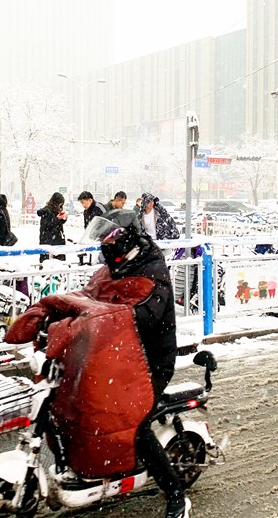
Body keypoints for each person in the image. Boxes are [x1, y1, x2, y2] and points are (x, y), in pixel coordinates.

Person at [83, 210, 188, 518]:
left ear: (126, 240)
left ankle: (176, 495)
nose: (106, 246)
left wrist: (102, 321)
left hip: (152, 362)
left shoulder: (152, 269)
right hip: (118, 357)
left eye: (110, 240)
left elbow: (144, 316)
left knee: (134, 424)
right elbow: (93, 297)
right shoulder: (118, 267)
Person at [37, 192, 68, 263]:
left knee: (57, 263)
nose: (60, 207)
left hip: (55, 241)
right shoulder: (46, 212)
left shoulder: (54, 211)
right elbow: (47, 225)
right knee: (48, 263)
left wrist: (62, 219)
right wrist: (57, 219)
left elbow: (56, 224)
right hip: (49, 242)